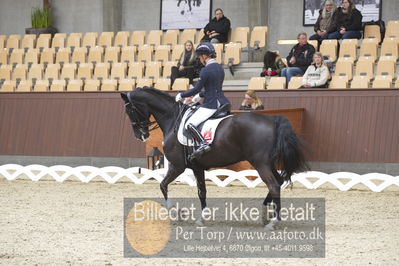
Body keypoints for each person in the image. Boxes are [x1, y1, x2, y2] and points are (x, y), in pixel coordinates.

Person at [175, 42, 230, 160]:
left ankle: (204, 143)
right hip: (223, 101)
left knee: (190, 124)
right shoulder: (220, 68)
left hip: (211, 104)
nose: (199, 58)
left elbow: (196, 88)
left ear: (205, 56)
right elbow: (213, 88)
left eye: (200, 56)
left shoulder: (206, 70)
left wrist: (181, 95)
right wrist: (199, 96)